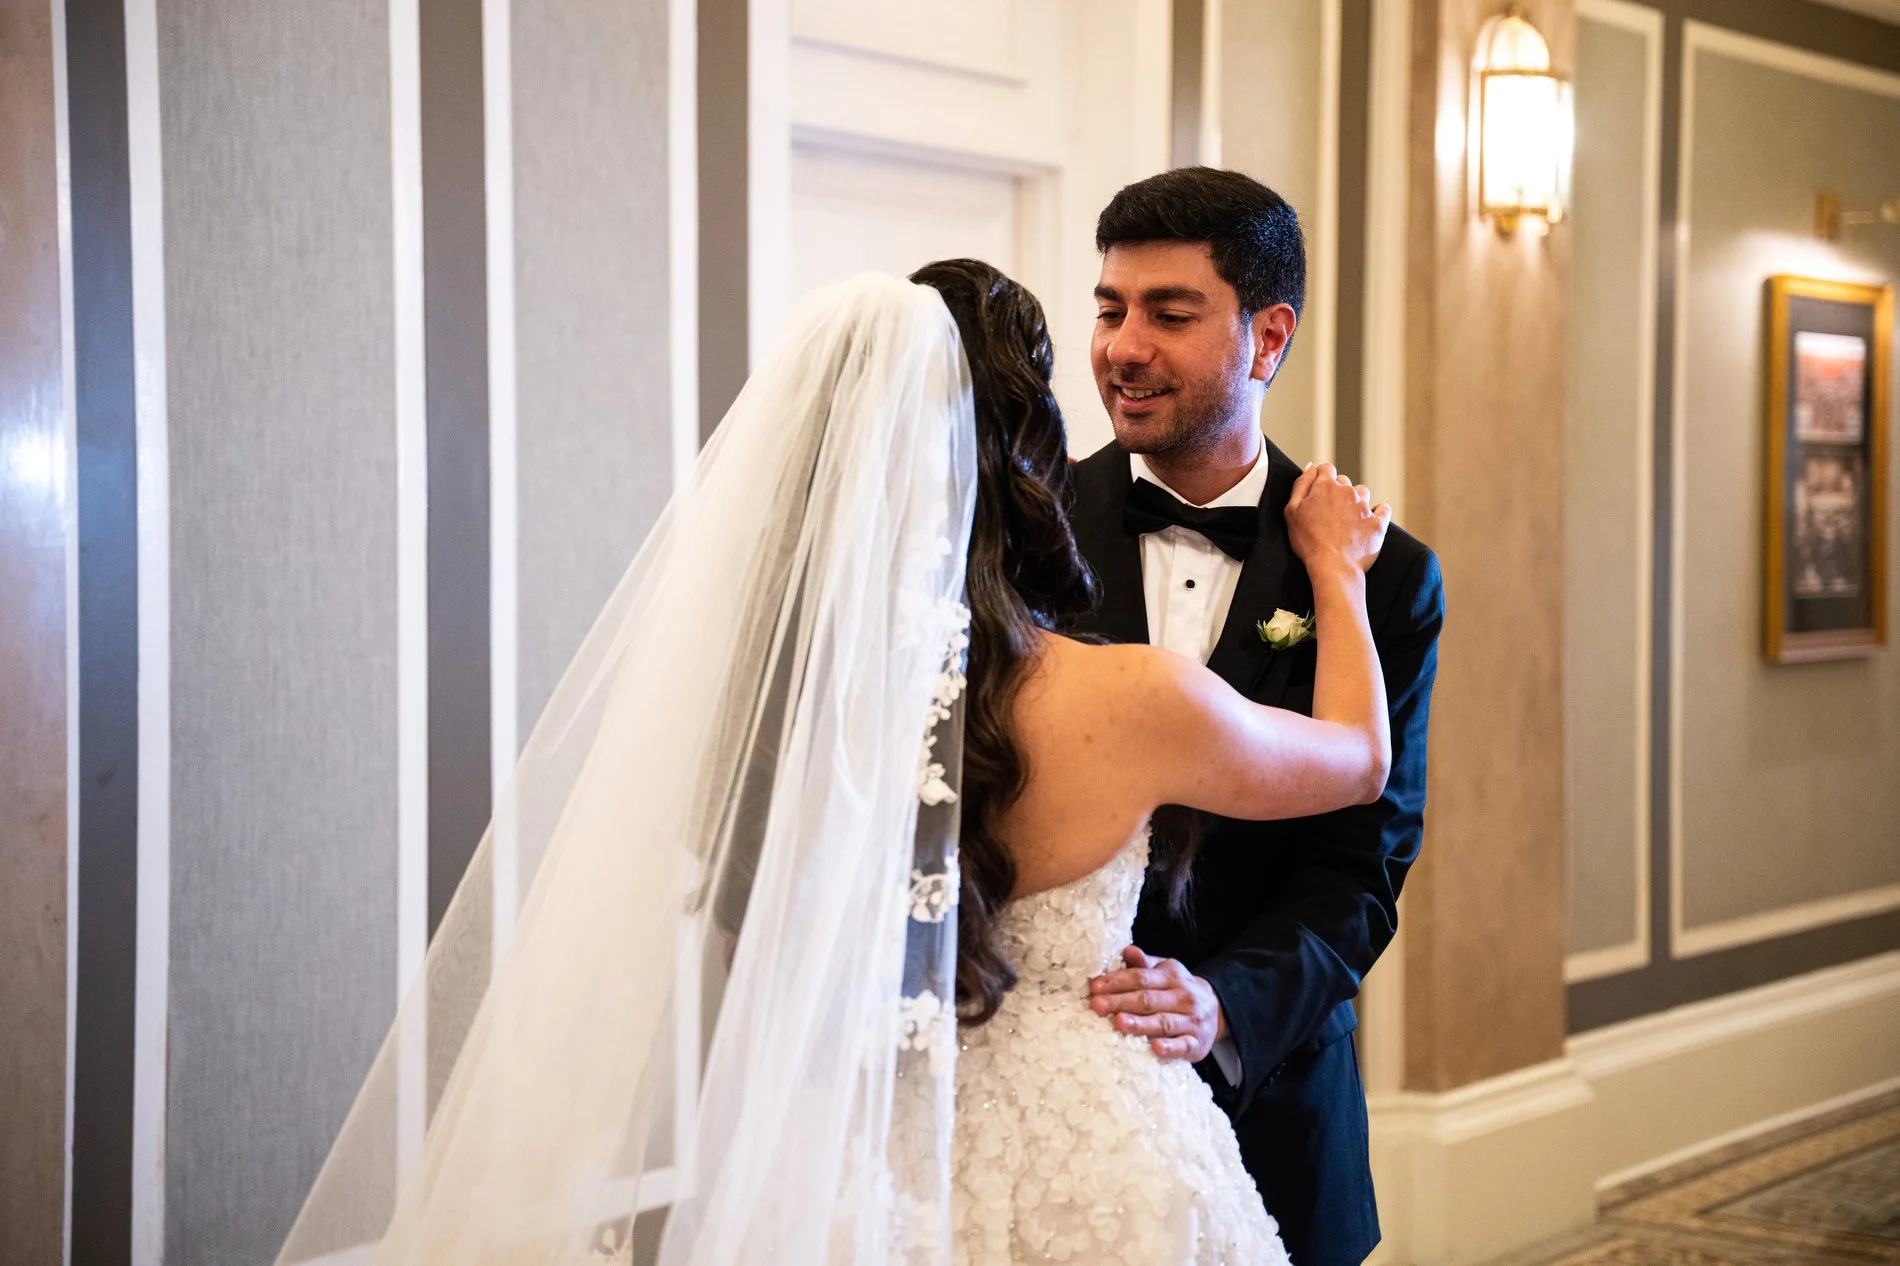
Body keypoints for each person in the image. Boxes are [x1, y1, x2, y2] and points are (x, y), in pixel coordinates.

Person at [277, 260, 1393, 1266]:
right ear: (1022, 458)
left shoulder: (774, 707)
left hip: (842, 1146)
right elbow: (1354, 764)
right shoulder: (1134, 698)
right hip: (1090, 1155)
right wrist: (1338, 576)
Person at [1068, 168, 1446, 1266]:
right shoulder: (1015, 530)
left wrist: (1221, 1004)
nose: (1123, 345)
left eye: (1169, 314)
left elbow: (1361, 869)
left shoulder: (1383, 577)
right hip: (1051, 1099)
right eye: (1108, 309)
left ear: (1267, 337)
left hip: (1273, 1114)